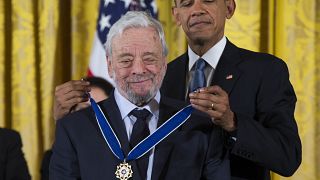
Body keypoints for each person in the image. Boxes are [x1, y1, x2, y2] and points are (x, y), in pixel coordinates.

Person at [53, 0, 302, 179]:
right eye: (186, 3)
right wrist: (67, 121)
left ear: (229, 7)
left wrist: (233, 122)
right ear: (175, 15)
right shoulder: (156, 75)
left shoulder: (265, 70)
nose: (197, 10)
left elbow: (288, 158)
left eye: (208, 0)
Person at [50, 11, 229, 180]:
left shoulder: (200, 126)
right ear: (110, 65)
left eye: (149, 58)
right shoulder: (75, 128)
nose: (138, 69)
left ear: (164, 64)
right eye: (126, 60)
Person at [41, 76, 113, 180]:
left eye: (101, 112)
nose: (96, 120)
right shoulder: (53, 159)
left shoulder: (129, 154)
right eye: (86, 111)